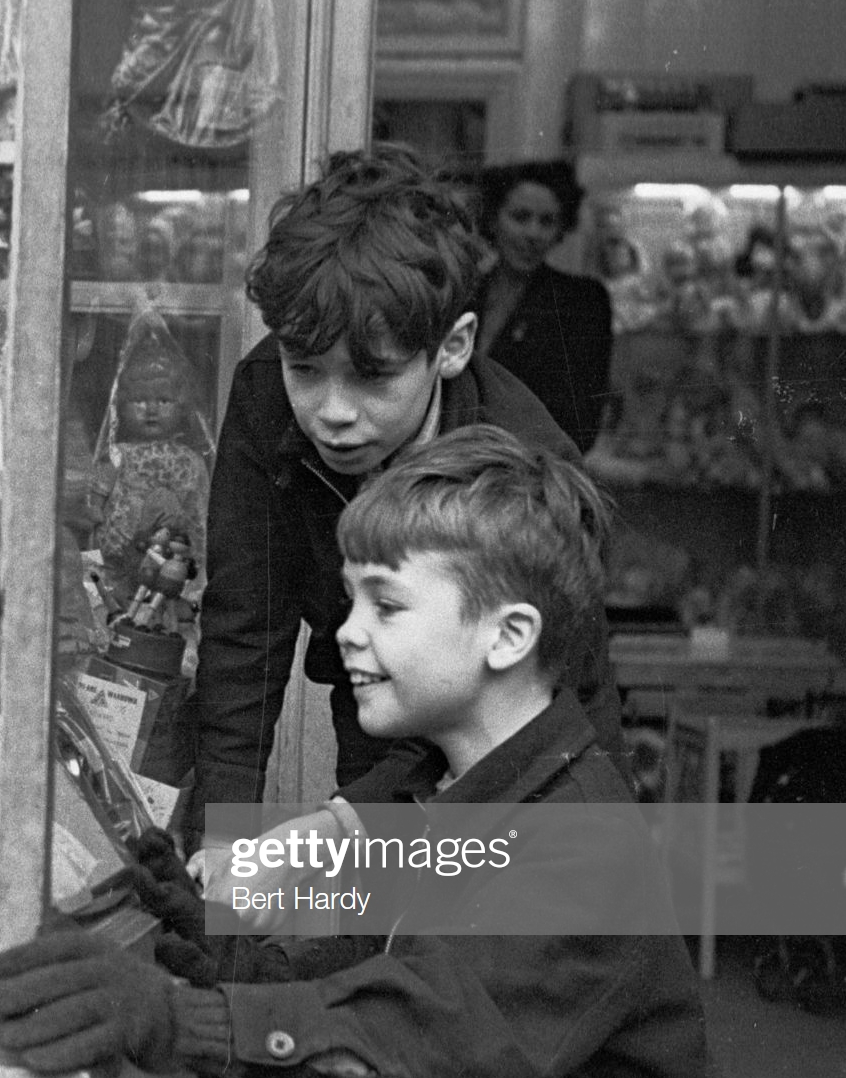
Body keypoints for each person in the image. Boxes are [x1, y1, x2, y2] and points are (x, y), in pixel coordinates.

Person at [0, 426, 731, 1078]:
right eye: (349, 602)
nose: (347, 635)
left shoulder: (580, 840)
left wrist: (179, 1017)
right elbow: (370, 968)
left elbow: (423, 1026)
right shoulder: (460, 795)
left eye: (386, 606)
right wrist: (214, 951)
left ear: (509, 634)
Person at [189, 143, 623, 841]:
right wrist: (223, 843)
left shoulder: (522, 465)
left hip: (526, 769)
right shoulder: (266, 392)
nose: (332, 410)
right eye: (305, 368)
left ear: (451, 347)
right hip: (378, 713)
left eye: (372, 377)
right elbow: (245, 626)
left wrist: (344, 825)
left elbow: (533, 714)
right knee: (349, 927)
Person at [472, 160, 614, 454]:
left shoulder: (582, 303)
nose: (533, 233)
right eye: (520, 217)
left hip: (529, 473)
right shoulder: (464, 291)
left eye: (547, 221)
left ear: (561, 230)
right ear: (493, 220)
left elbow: (579, 425)